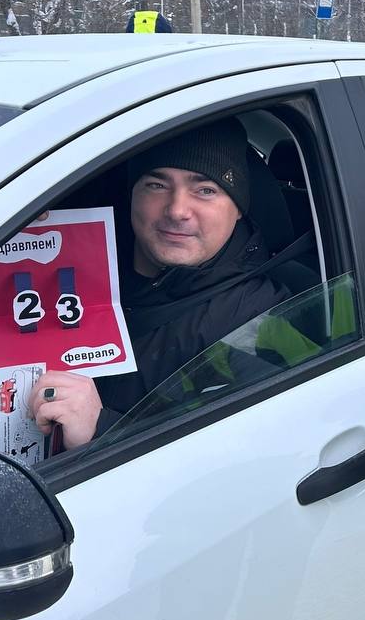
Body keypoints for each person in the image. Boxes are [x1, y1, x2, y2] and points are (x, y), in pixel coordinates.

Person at [29, 118, 287, 450]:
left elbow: (247, 462)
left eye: (205, 190)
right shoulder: (71, 266)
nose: (178, 210)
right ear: (132, 195)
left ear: (238, 208)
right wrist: (5, 247)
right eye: (157, 185)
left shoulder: (260, 318)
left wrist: (103, 431)